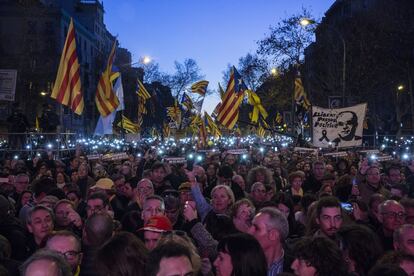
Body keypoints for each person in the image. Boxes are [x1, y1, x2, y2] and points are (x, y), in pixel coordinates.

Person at [248, 207, 291, 275]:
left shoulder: (294, 268)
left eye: (256, 228)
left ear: (273, 235)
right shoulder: (243, 263)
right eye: (250, 226)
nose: (249, 232)